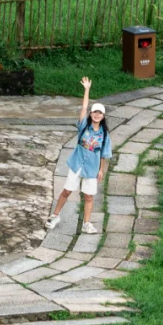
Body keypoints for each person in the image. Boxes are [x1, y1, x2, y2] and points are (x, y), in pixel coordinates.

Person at [46, 77, 110, 234]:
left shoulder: (105, 135)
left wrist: (101, 170)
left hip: (92, 168)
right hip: (77, 164)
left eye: (100, 113)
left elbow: (103, 154)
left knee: (89, 196)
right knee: (67, 191)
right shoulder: (83, 126)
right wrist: (87, 90)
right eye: (95, 112)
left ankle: (86, 223)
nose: (97, 115)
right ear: (91, 114)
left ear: (103, 116)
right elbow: (83, 107)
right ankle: (55, 216)